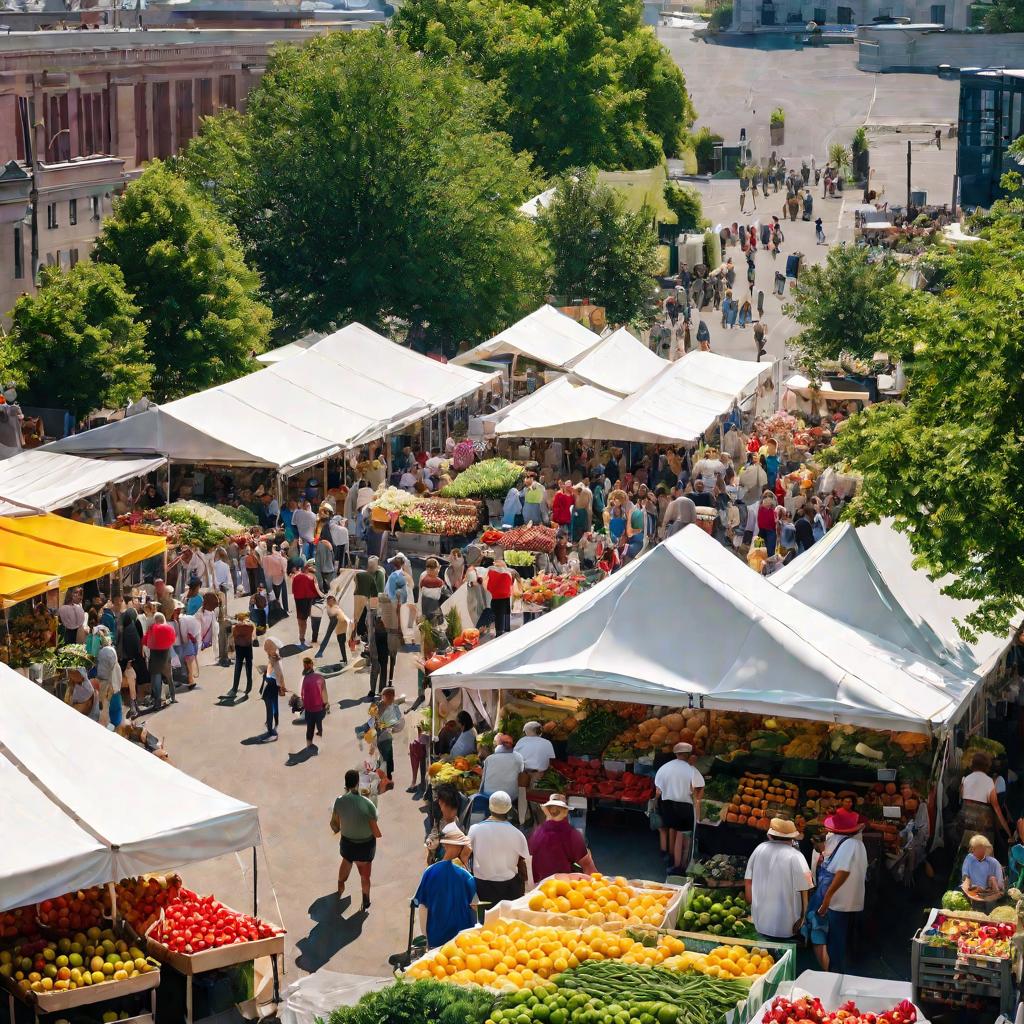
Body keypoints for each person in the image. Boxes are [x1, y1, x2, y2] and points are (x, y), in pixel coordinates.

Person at [805, 807, 867, 973]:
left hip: (839, 903)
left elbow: (843, 872)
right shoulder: (858, 844)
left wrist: (826, 900)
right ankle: (835, 971)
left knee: (832, 940)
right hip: (852, 902)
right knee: (841, 941)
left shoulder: (848, 845)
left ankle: (832, 973)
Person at [744, 818, 812, 941]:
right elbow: (806, 889)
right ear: (793, 838)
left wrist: (752, 905)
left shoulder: (759, 849)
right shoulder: (797, 856)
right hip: (788, 925)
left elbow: (748, 881)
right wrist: (802, 918)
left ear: (770, 835)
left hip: (760, 921)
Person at [415, 823, 477, 947]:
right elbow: (475, 906)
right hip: (463, 938)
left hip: (436, 939)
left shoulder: (430, 871)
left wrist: (427, 936)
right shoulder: (466, 876)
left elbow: (422, 906)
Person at [331, 768, 381, 910]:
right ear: (358, 783)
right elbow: (374, 820)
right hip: (365, 845)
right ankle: (366, 900)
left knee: (346, 863)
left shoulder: (339, 801)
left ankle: (341, 884)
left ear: (346, 784)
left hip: (347, 843)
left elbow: (335, 823)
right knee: (365, 876)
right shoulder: (367, 803)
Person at [468, 791, 530, 905]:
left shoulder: (474, 830)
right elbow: (524, 862)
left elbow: (465, 855)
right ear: (509, 809)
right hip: (510, 888)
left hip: (482, 887)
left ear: (490, 807)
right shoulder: (518, 834)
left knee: (485, 921)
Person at [654, 742, 705, 873]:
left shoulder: (664, 768)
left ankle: (674, 864)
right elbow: (699, 790)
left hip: (667, 806)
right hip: (685, 806)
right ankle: (682, 866)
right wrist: (697, 801)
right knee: (685, 836)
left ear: (676, 754)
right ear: (688, 755)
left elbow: (657, 792)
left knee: (676, 833)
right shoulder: (691, 770)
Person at [528, 794, 596, 883]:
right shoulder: (570, 833)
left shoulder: (537, 832)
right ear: (565, 812)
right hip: (561, 886)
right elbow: (588, 866)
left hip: (539, 885)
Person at [961, 751, 1012, 841]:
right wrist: (1009, 833)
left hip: (966, 824)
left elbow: (963, 799)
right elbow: (997, 810)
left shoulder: (966, 779)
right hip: (983, 828)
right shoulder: (989, 782)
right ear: (986, 766)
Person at [143, 611, 176, 708]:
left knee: (156, 682)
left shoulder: (152, 629)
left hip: (155, 659)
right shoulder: (169, 629)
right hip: (166, 657)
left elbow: (145, 641)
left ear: (156, 620)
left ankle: (157, 703)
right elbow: (173, 640)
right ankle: (173, 697)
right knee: (170, 679)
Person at [961, 834, 1004, 905]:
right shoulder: (969, 858)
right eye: (972, 847)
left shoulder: (994, 862)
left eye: (976, 847)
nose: (972, 849)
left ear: (985, 848)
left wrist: (991, 892)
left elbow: (999, 885)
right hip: (972, 894)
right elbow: (965, 876)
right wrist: (968, 888)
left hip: (989, 896)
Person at [94, 626, 123, 727]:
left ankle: (109, 725)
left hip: (105, 682)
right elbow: (114, 666)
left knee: (105, 706)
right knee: (112, 706)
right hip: (110, 682)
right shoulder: (110, 651)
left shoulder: (102, 652)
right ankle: (114, 724)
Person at [481, 734, 525, 800]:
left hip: (489, 795)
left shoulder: (489, 759)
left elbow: (483, 781)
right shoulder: (518, 757)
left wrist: (479, 794)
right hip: (511, 796)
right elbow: (521, 774)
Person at [374, 686, 403, 782]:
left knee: (388, 755)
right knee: (384, 754)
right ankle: (383, 773)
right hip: (381, 734)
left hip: (388, 735)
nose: (392, 699)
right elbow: (377, 722)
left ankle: (388, 774)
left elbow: (398, 718)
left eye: (393, 697)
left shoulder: (393, 706)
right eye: (390, 697)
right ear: (384, 697)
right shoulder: (379, 707)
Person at [291, 560, 323, 647]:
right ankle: (309, 638)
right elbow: (317, 590)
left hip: (299, 600)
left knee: (301, 620)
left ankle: (302, 638)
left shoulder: (296, 577)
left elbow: (293, 590)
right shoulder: (312, 577)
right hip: (308, 600)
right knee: (309, 620)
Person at [259, 636, 285, 740]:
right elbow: (279, 675)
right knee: (272, 707)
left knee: (270, 707)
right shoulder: (274, 660)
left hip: (269, 687)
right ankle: (272, 728)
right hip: (271, 686)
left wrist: (282, 687)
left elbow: (279, 675)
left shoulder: (273, 660)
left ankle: (272, 728)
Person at [300, 657, 328, 748]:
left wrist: (304, 705)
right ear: (312, 665)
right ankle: (320, 732)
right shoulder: (320, 678)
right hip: (319, 707)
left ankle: (309, 744)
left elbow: (303, 694)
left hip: (309, 709)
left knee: (310, 728)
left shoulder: (305, 680)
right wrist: (325, 703)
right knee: (318, 722)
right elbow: (324, 693)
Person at [315, 595, 350, 664]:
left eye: (331, 601)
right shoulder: (329, 607)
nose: (330, 603)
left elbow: (335, 614)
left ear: (334, 601)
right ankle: (320, 652)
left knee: (340, 640)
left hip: (338, 621)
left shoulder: (335, 608)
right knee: (330, 636)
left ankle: (345, 659)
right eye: (329, 602)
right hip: (335, 620)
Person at [228, 612, 256, 696]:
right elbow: (253, 636)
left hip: (239, 648)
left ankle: (235, 687)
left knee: (238, 668)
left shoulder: (235, 627)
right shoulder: (250, 626)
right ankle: (249, 686)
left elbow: (232, 638)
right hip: (248, 648)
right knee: (249, 667)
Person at [486, 556, 515, 636]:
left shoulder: (491, 572)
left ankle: (499, 633)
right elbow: (511, 584)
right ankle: (506, 629)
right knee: (505, 614)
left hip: (496, 598)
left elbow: (489, 586)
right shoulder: (508, 573)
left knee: (498, 616)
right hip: (505, 597)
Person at [262, 544, 289, 614]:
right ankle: (285, 609)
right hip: (280, 577)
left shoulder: (266, 558)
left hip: (272, 577)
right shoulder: (282, 559)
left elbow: (264, 568)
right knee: (283, 593)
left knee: (276, 594)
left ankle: (276, 608)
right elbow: (284, 570)